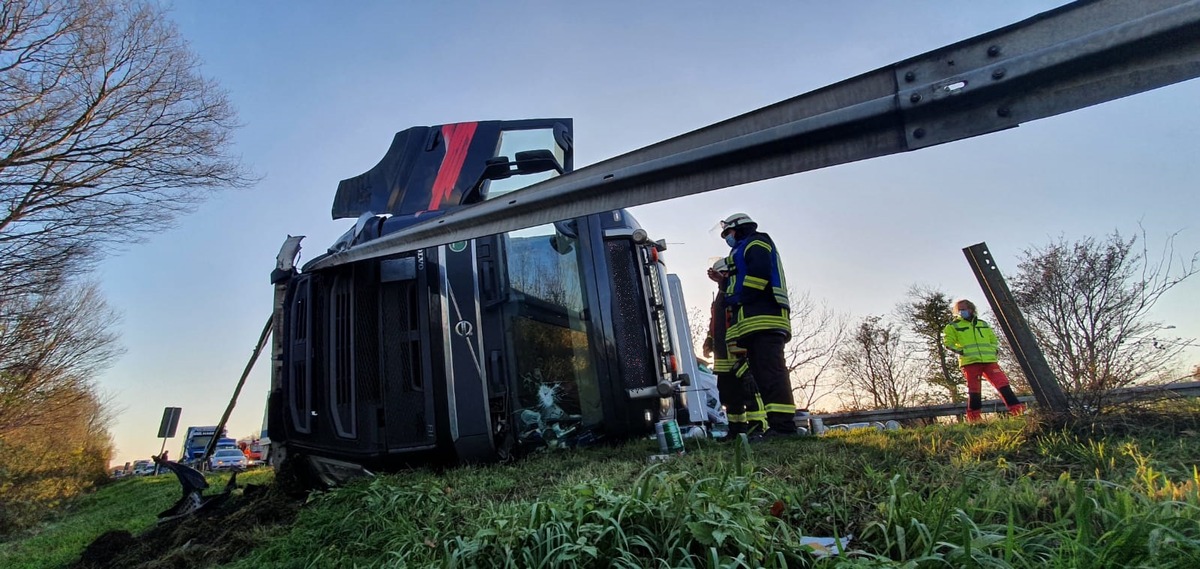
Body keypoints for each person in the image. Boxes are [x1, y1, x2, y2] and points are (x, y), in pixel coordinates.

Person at [719, 213, 797, 437]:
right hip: (753, 323)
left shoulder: (757, 242)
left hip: (766, 318)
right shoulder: (742, 248)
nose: (728, 238)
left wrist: (742, 296)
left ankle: (784, 427)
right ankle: (777, 425)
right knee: (763, 375)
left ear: (741, 229)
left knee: (772, 373)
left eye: (729, 233)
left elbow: (758, 275)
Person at [704, 258, 767, 437]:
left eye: (723, 274)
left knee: (750, 391)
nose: (721, 278)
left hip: (740, 352)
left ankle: (757, 427)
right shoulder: (720, 298)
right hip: (723, 356)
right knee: (729, 394)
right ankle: (736, 430)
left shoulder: (738, 292)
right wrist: (709, 341)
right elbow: (715, 325)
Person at [942, 299, 1027, 422]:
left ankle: (1018, 411)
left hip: (989, 361)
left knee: (1003, 385)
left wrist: (994, 350)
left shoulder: (983, 324)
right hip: (970, 362)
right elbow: (948, 343)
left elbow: (993, 339)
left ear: (971, 309)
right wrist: (961, 351)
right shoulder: (952, 326)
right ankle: (974, 418)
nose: (961, 312)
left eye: (963, 309)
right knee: (974, 390)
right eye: (959, 310)